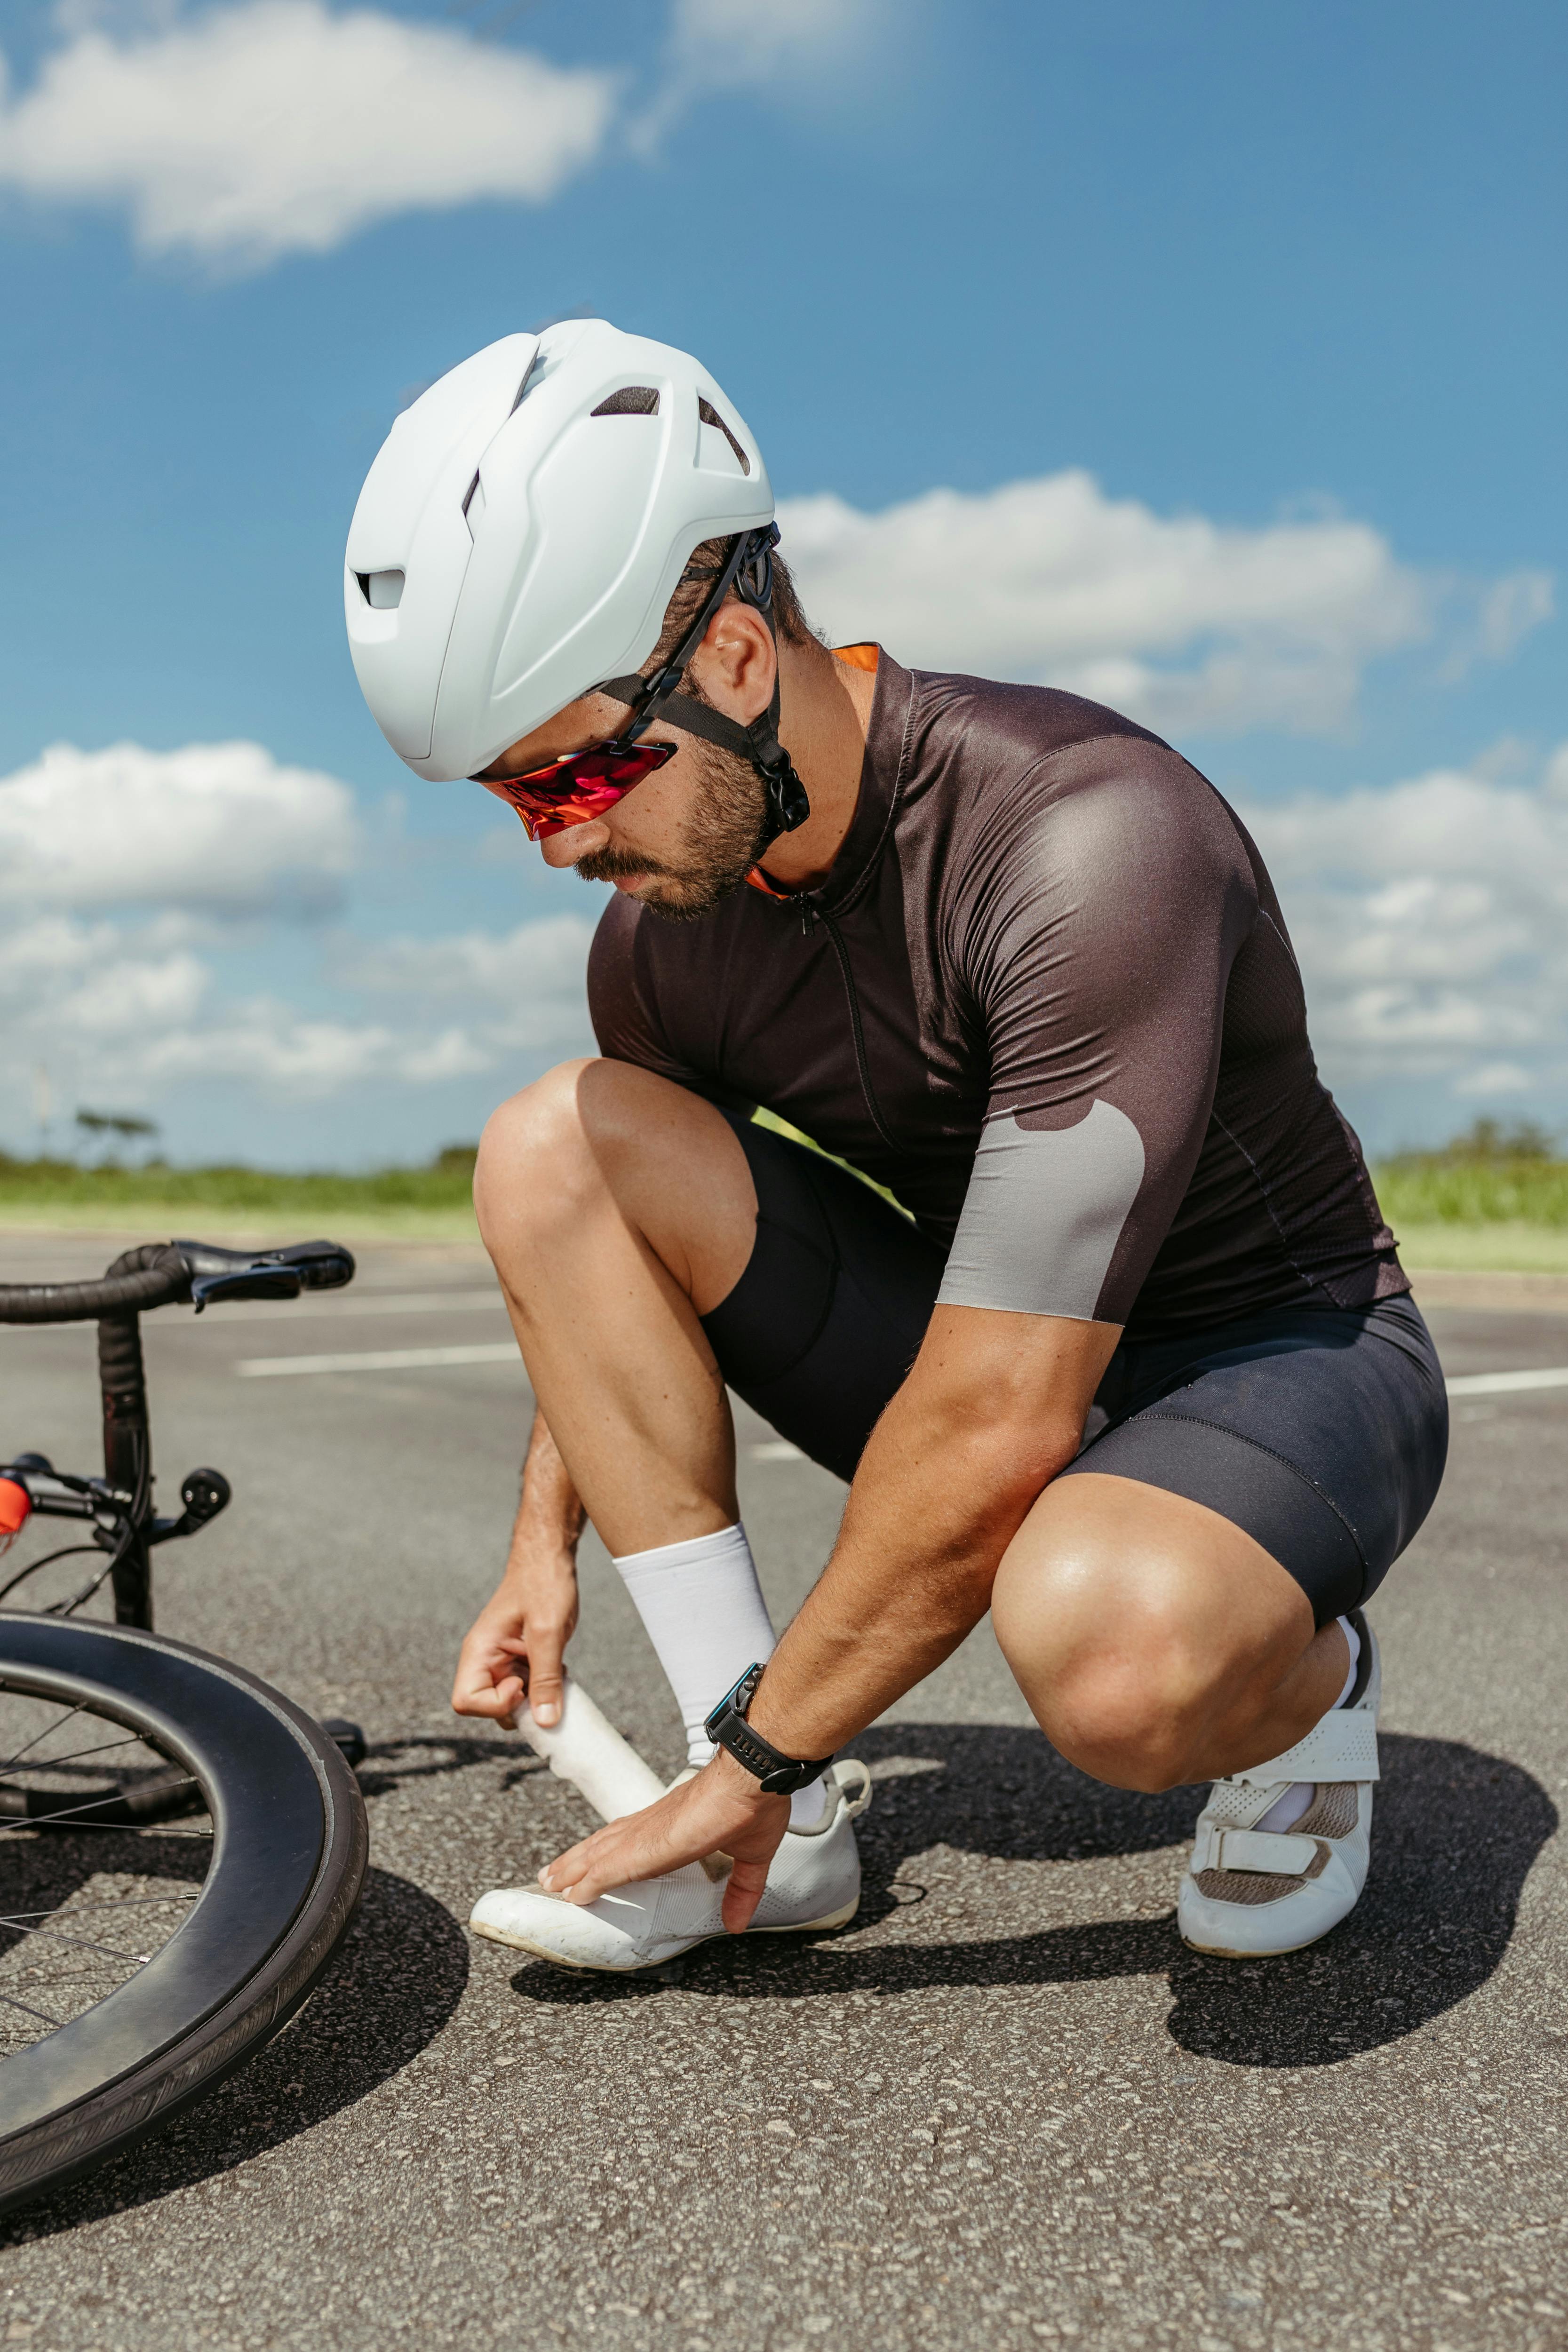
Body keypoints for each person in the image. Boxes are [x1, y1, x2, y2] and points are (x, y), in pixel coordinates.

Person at [344, 320, 1448, 1973]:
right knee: (551, 1141)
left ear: (729, 658)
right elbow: (603, 1258)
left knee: (1115, 1654)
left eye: (578, 775)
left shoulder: (1090, 839)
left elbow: (1004, 1420)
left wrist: (747, 1765)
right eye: (518, 801)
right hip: (985, 1333)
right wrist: (537, 1549)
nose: (560, 844)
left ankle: (1306, 1703)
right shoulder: (663, 929)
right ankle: (777, 1851)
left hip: (1276, 1353)